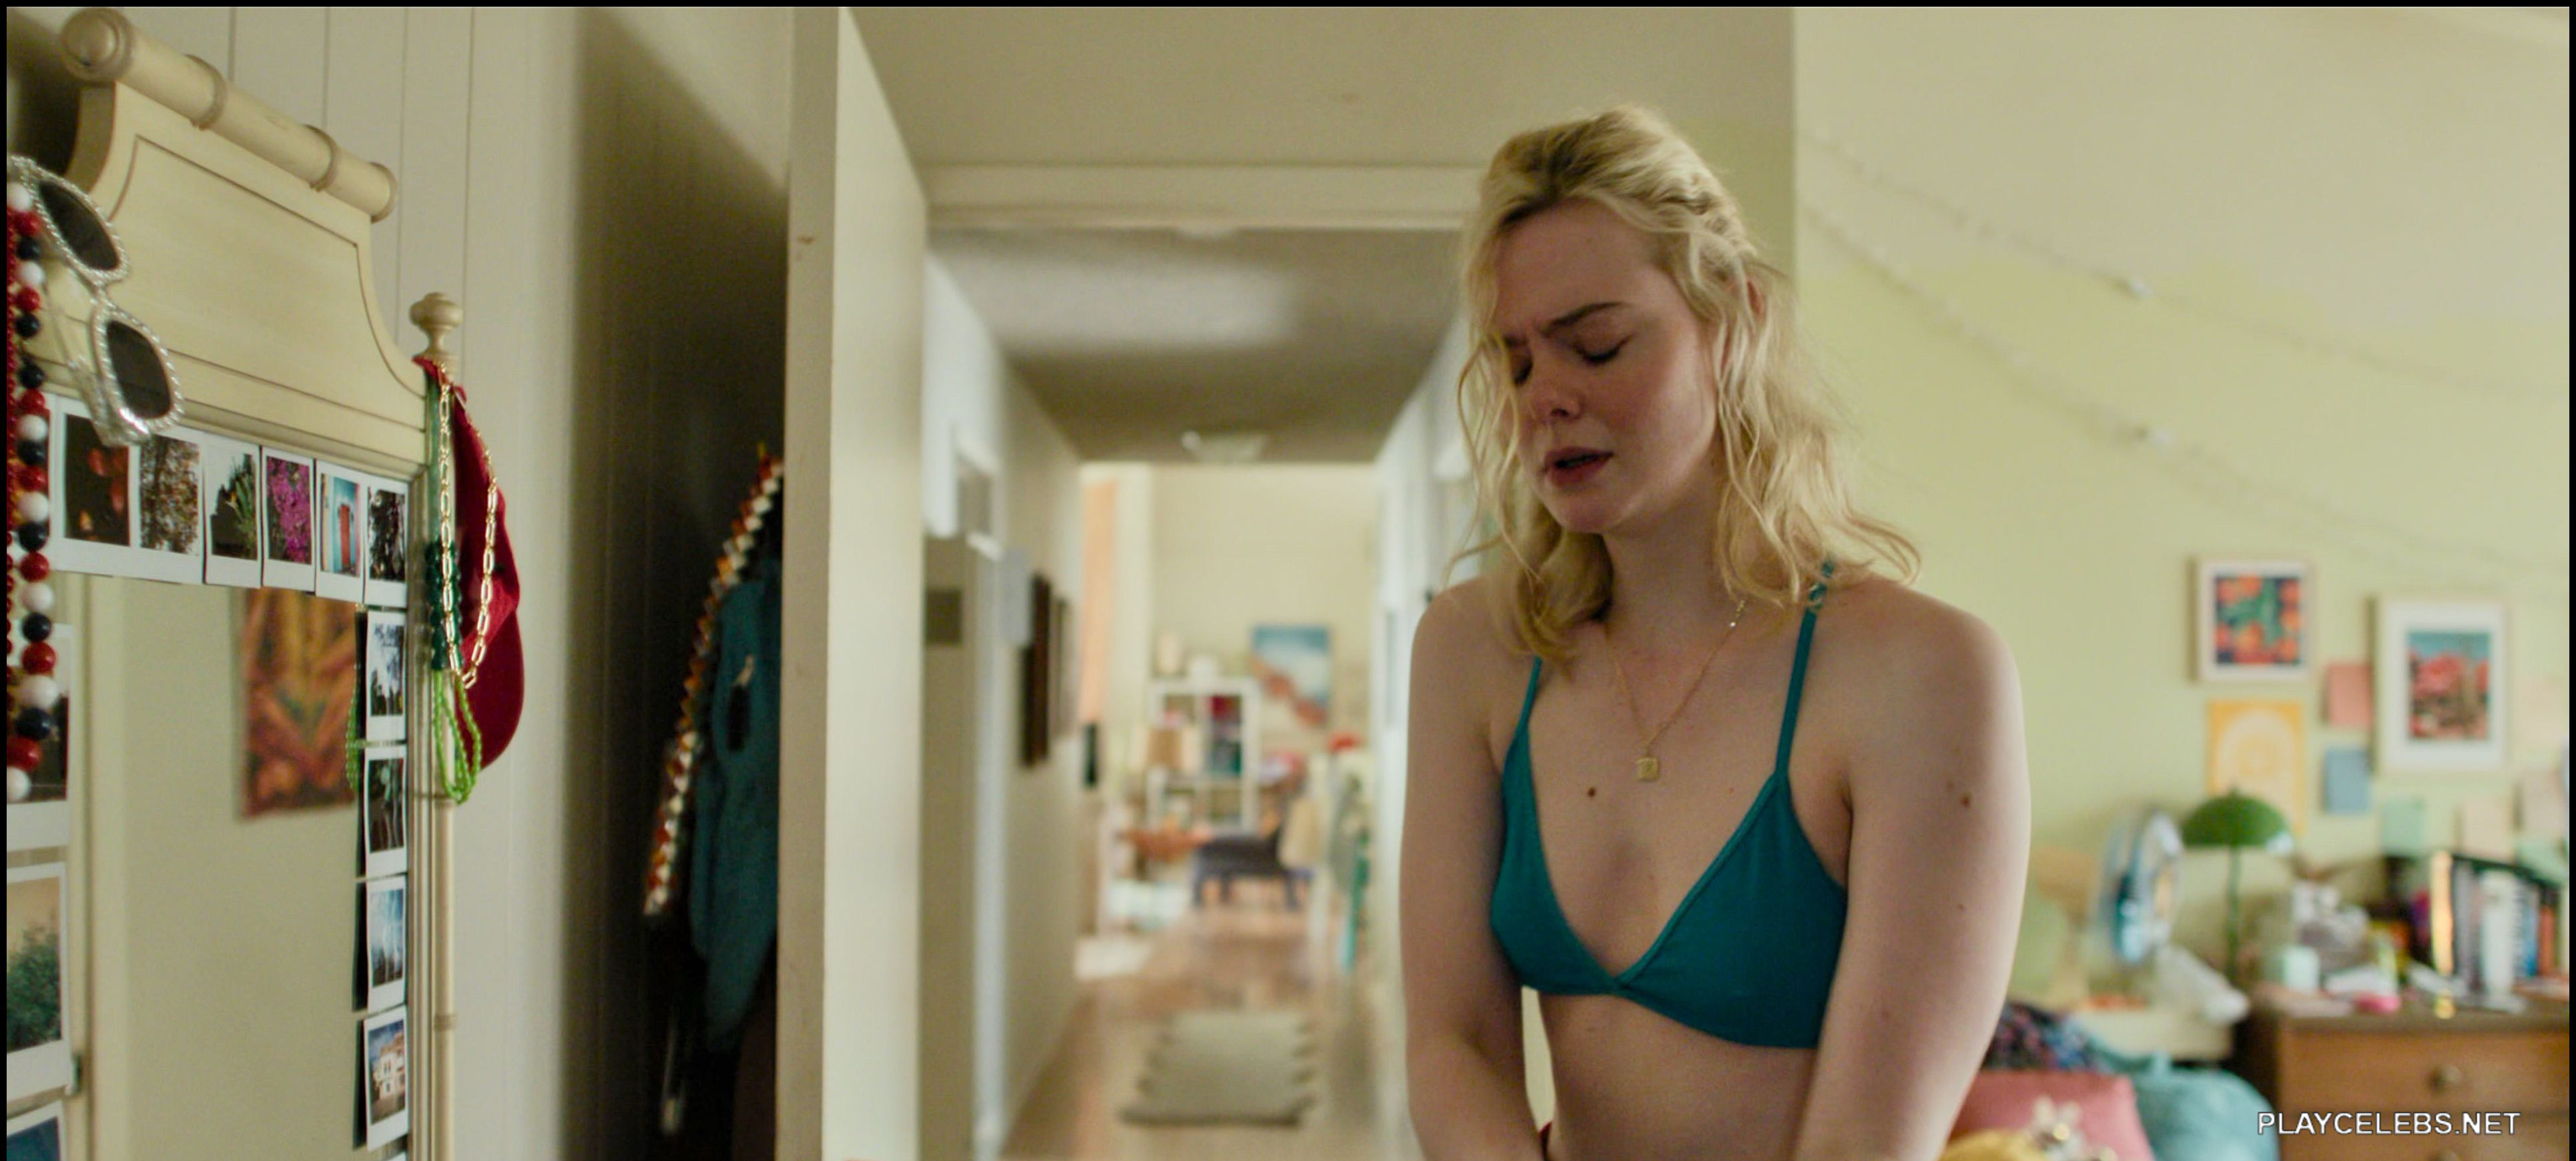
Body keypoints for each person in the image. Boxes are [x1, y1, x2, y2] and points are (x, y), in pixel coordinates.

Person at [1399, 106, 2031, 1161]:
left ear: (1732, 320)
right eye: (1515, 363)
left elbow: (1868, 1143)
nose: (1547, 398)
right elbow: (1451, 1042)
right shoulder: (1477, 648)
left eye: (1596, 345)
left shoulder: (1919, 673)